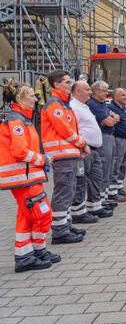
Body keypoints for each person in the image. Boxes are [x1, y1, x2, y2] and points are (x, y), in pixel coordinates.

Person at [1, 80, 60, 272]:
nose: (36, 98)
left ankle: (29, 255)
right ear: (21, 98)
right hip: (23, 178)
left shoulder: (23, 118)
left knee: (27, 217)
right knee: (43, 214)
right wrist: (42, 159)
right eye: (32, 95)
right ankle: (33, 253)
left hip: (27, 177)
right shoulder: (17, 120)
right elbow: (20, 151)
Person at [41, 69, 89, 244]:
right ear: (56, 84)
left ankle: (65, 225)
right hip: (62, 156)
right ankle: (60, 231)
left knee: (68, 191)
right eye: (67, 82)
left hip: (69, 154)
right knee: (63, 193)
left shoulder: (63, 103)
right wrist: (82, 144)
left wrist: (79, 147)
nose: (71, 85)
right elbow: (65, 130)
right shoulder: (55, 104)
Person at [69, 81, 111, 224]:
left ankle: (94, 207)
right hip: (84, 150)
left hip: (94, 150)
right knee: (81, 181)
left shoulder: (84, 106)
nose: (90, 92)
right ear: (78, 92)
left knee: (95, 179)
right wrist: (81, 146)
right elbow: (72, 130)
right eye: (87, 90)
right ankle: (78, 213)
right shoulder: (73, 106)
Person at [87, 81, 126, 204]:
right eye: (104, 91)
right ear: (96, 91)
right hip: (103, 137)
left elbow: (112, 119)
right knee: (103, 169)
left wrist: (113, 118)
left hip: (110, 136)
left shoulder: (101, 104)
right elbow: (109, 122)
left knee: (109, 168)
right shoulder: (94, 104)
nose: (106, 93)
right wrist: (113, 118)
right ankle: (100, 201)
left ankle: (103, 199)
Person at [107, 88, 126, 199]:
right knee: (116, 165)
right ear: (115, 97)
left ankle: (119, 187)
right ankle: (112, 192)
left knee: (123, 165)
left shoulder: (122, 108)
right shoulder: (112, 108)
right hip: (118, 139)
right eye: (123, 95)